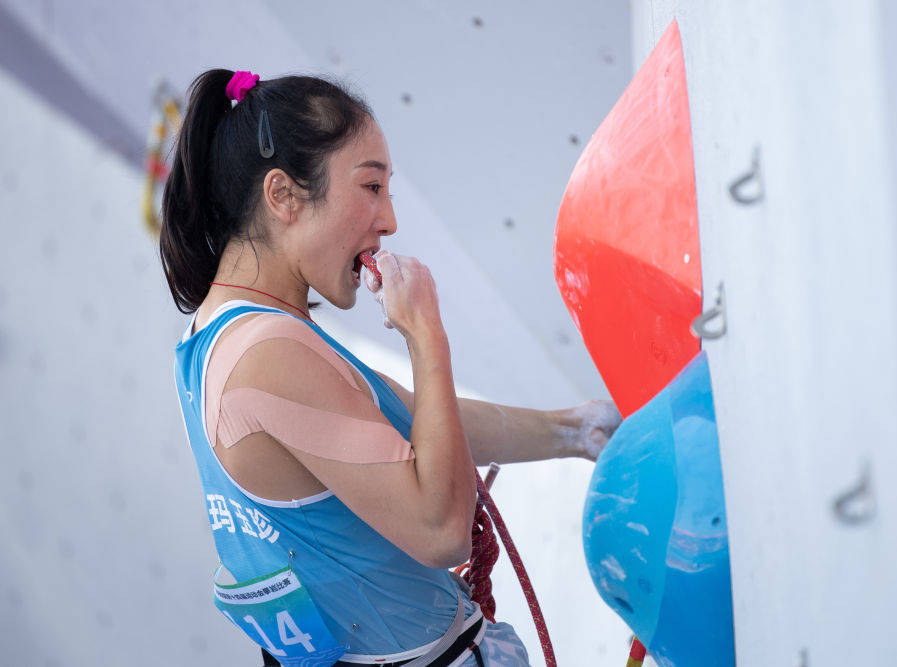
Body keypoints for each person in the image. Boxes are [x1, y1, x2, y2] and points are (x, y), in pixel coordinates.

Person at [160, 69, 622, 666]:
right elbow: (441, 529)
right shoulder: (267, 352)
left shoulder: (216, 331)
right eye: (371, 187)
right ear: (283, 196)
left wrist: (579, 431)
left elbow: (413, 419)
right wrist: (427, 335)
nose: (389, 220)